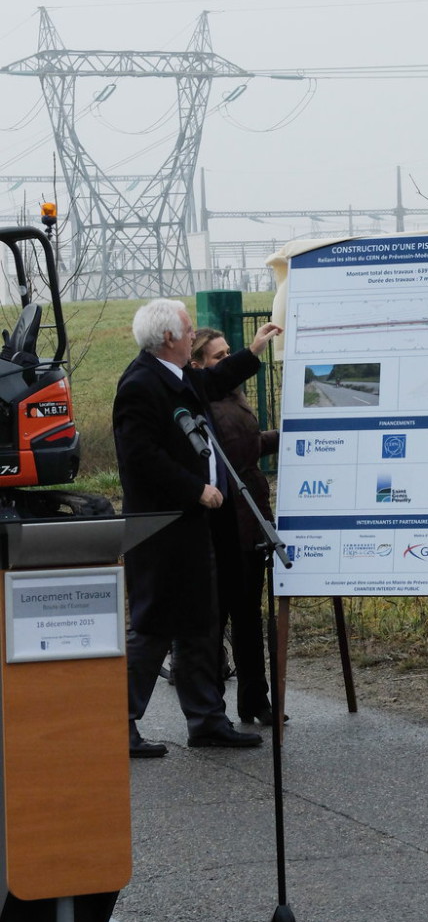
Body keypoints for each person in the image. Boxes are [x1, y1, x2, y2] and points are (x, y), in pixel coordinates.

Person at [113, 298, 282, 757]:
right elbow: (141, 458)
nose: (194, 336)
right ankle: (117, 725)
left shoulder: (178, 376)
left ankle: (206, 721)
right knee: (153, 626)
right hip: (161, 528)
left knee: (199, 624)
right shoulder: (141, 385)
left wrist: (252, 353)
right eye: (188, 331)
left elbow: (213, 380)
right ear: (168, 338)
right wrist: (194, 489)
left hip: (194, 526)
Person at [191, 327, 279, 726]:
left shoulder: (232, 396)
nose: (226, 361)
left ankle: (255, 701)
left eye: (229, 353)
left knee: (249, 616)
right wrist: (252, 351)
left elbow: (247, 445)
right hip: (222, 521)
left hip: (251, 514)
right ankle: (213, 712)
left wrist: (281, 436)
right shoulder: (201, 398)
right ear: (198, 365)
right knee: (219, 619)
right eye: (218, 356)